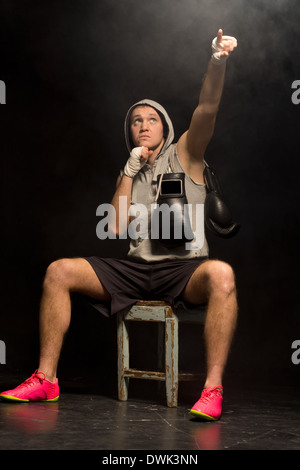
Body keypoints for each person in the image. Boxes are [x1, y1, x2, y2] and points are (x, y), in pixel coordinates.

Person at [0, 29, 238, 421]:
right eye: (135, 122)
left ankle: (212, 389)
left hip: (183, 269)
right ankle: (46, 379)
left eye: (151, 120)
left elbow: (207, 108)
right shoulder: (127, 170)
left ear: (165, 126)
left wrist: (217, 60)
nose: (143, 126)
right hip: (135, 270)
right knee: (58, 271)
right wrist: (128, 173)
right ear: (129, 132)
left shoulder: (188, 152)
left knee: (223, 276)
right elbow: (115, 229)